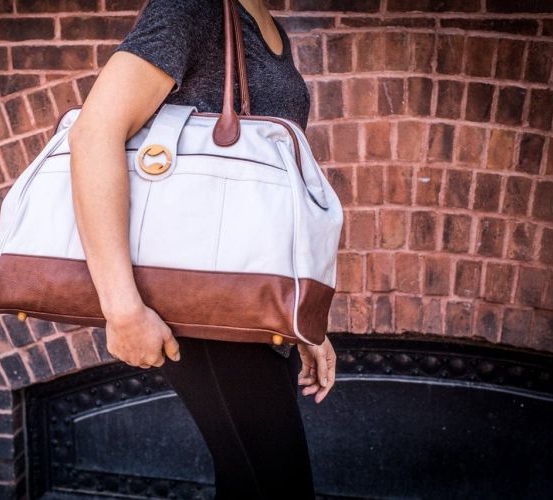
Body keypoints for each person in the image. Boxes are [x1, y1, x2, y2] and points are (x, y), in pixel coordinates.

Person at [67, 0, 337, 497]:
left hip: (250, 305)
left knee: (249, 482)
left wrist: (300, 317)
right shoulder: (190, 8)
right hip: (200, 304)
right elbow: (93, 133)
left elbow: (273, 198)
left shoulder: (267, 24)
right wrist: (121, 309)